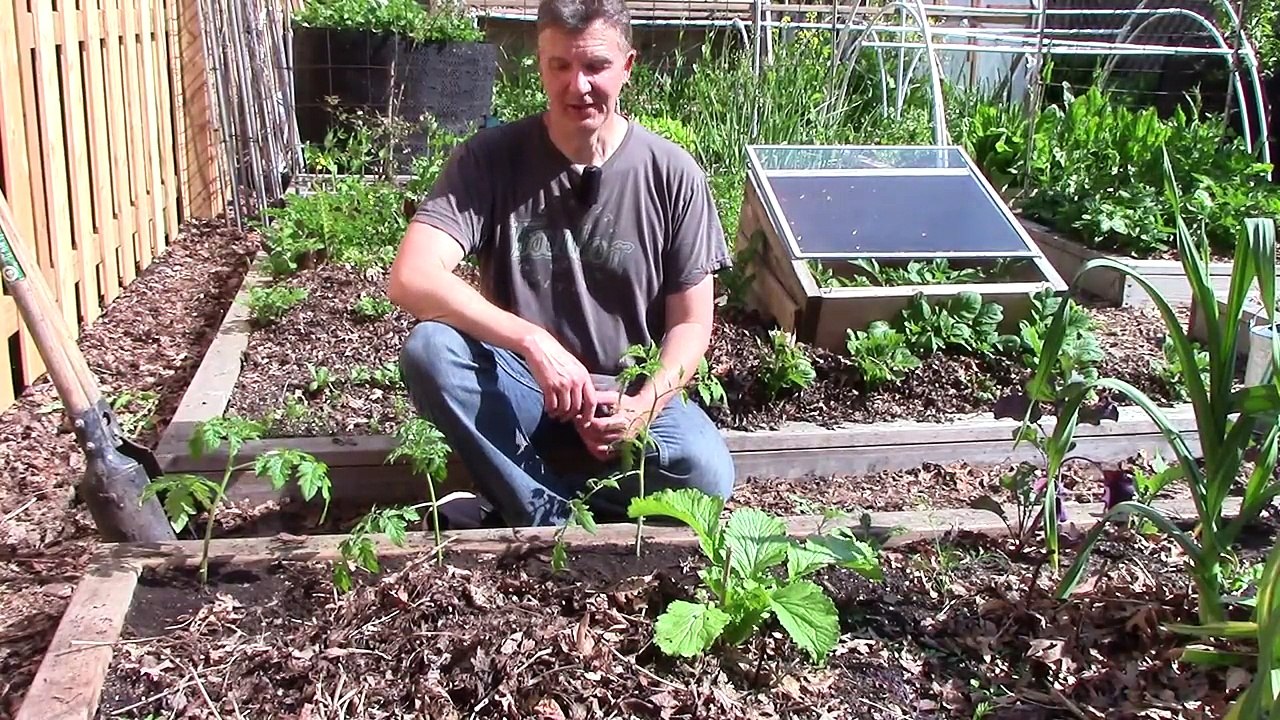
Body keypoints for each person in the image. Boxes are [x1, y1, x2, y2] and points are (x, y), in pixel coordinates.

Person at [387, 0, 736, 529]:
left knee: (705, 474)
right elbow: (412, 276)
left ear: (628, 66)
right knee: (431, 350)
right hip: (521, 387)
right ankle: (549, 521)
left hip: (623, 390)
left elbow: (691, 323)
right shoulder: (491, 159)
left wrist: (643, 406)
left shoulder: (671, 173)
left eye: (595, 66)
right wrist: (532, 342)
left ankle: (516, 494)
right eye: (561, 66)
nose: (578, 86)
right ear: (540, 64)